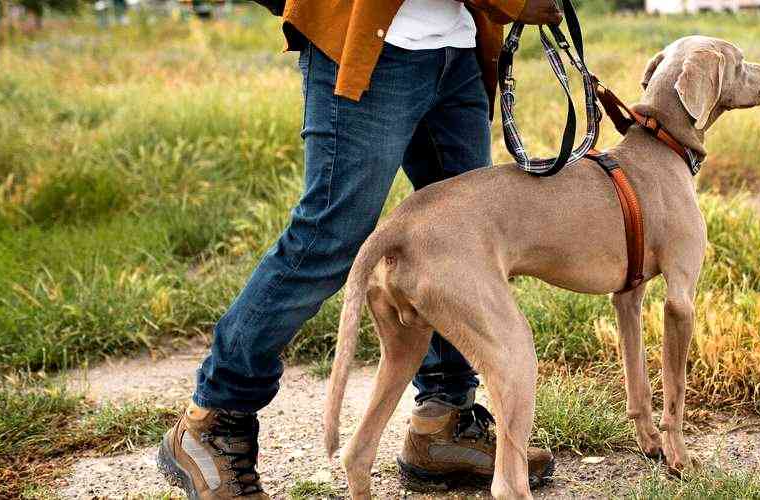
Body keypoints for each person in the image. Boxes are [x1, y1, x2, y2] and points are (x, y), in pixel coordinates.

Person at [155, 0, 563, 496]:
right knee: (329, 236)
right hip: (373, 47)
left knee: (462, 247)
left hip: (456, 49)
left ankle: (443, 421)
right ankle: (212, 418)